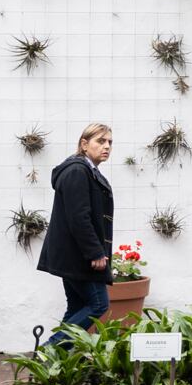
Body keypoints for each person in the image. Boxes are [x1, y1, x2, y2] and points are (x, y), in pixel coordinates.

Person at [37, 123, 115, 345]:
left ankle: (56, 362)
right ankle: (49, 350)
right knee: (99, 304)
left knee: (78, 307)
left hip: (74, 256)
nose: (107, 146)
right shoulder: (77, 171)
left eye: (110, 142)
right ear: (84, 144)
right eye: (101, 141)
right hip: (79, 257)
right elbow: (79, 217)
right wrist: (95, 253)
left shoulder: (86, 170)